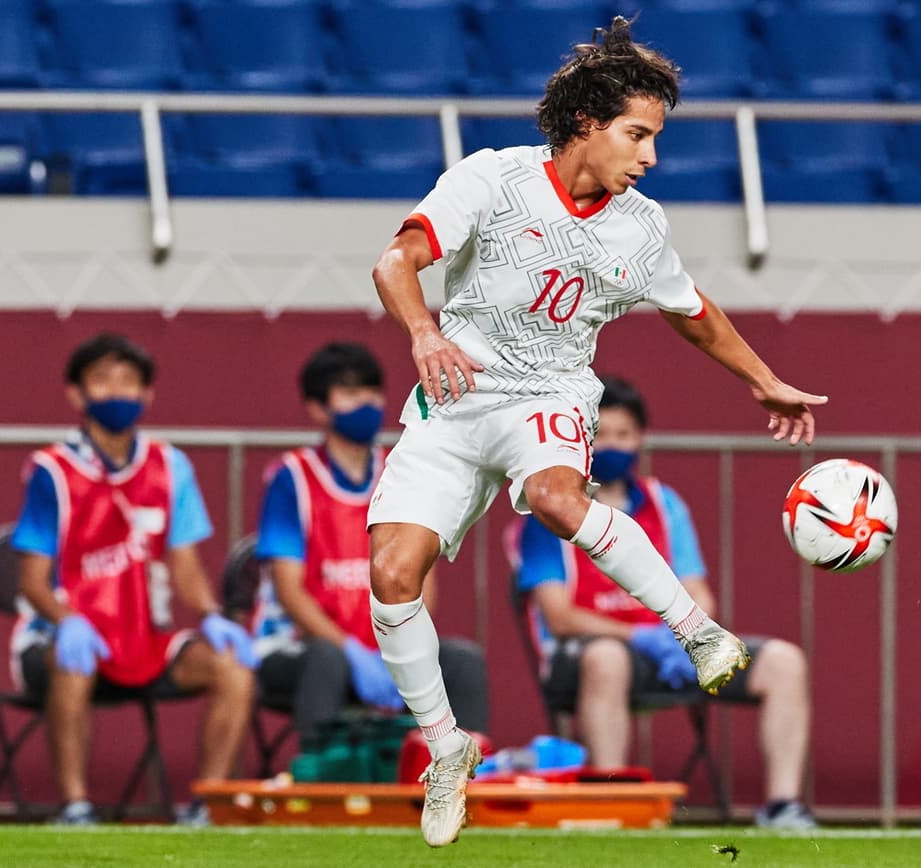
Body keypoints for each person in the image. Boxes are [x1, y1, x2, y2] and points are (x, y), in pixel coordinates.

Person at [364, 17, 827, 847]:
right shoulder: (493, 180)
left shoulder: (640, 226)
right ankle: (445, 751)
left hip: (549, 393)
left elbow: (694, 315)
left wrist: (764, 380)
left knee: (552, 496)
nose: (650, 156)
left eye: (655, 137)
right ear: (586, 123)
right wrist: (424, 333)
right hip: (454, 392)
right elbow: (396, 261)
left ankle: (698, 631)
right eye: (637, 135)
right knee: (393, 576)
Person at [515, 376, 815, 829]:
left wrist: (687, 636)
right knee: (607, 659)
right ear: (579, 438)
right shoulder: (548, 510)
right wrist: (641, 636)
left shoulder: (664, 502)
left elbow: (699, 593)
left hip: (669, 648)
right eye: (601, 434)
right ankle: (609, 804)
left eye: (623, 435)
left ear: (640, 440)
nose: (612, 445)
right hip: (587, 656)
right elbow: (557, 616)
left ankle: (783, 808)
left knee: (785, 662)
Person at [10, 333, 256, 826]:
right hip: (64, 636)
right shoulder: (52, 471)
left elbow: (184, 564)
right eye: (102, 381)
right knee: (71, 661)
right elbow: (32, 582)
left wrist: (210, 616)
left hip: (146, 637)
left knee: (232, 666)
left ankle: (205, 806)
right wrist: (69, 622)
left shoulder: (170, 465)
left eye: (129, 382)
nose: (117, 392)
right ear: (76, 395)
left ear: (147, 395)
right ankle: (76, 808)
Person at [252, 342, 489, 751]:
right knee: (327, 660)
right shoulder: (291, 478)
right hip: (297, 646)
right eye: (348, 392)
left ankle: (461, 781)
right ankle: (323, 785)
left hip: (384, 644)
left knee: (461, 660)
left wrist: (406, 645)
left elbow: (421, 576)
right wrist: (350, 650)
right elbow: (289, 592)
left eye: (371, 391)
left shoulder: (404, 472)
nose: (365, 402)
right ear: (317, 407)